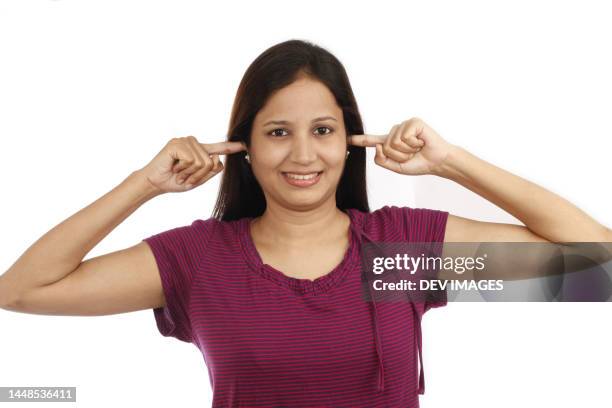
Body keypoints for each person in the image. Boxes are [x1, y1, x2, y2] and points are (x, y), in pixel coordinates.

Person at [1, 39, 610, 408]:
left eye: (322, 131)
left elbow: (595, 261)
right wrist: (144, 183)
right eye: (276, 133)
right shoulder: (199, 260)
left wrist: (452, 162)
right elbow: (22, 291)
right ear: (241, 146)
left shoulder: (396, 254)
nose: (302, 156)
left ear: (350, 139)